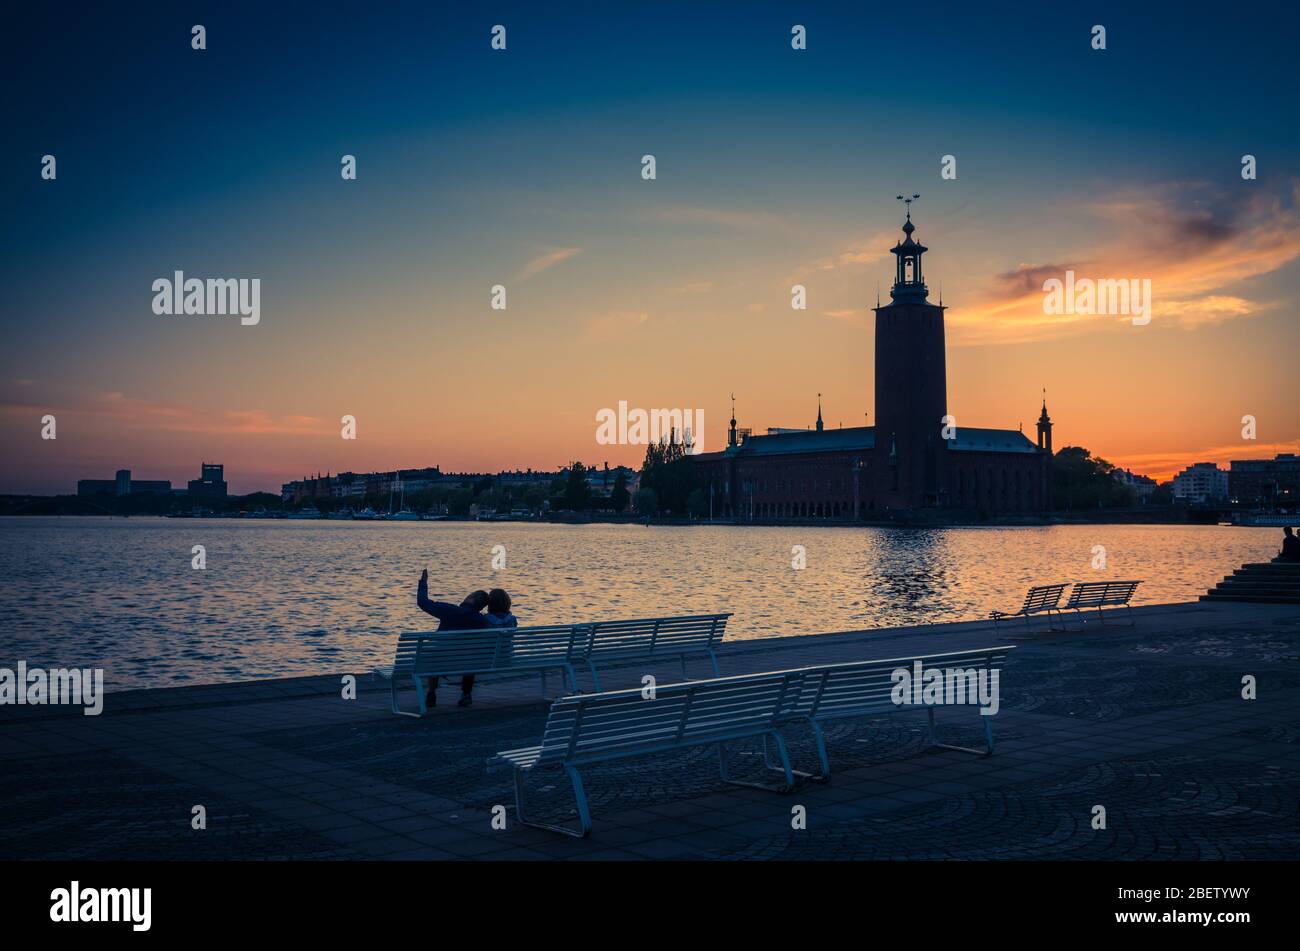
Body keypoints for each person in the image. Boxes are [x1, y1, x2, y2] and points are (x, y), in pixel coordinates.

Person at [416, 569, 488, 707]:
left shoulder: (451, 610)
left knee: (435, 652)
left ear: (471, 598)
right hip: (466, 661)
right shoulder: (482, 621)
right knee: (470, 654)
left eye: (470, 594)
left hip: (441, 658)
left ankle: (431, 690)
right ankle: (466, 693)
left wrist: (423, 581)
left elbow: (423, 603)